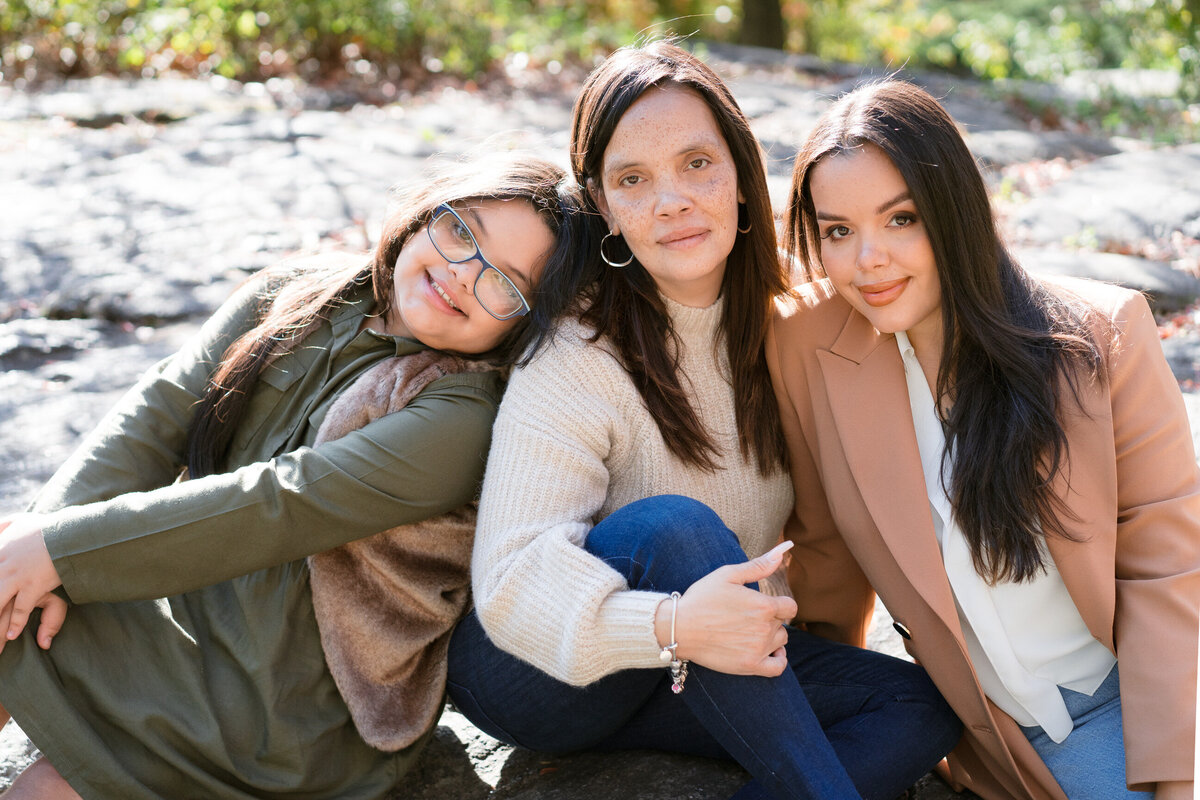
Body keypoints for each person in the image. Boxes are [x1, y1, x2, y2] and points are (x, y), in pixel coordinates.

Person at [446, 42, 962, 800]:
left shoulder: (793, 327)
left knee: (918, 704)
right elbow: (512, 582)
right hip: (541, 672)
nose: (671, 201)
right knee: (673, 532)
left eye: (697, 164)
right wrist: (674, 625)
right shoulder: (577, 354)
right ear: (607, 212)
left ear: (742, 177)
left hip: (692, 665)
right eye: (633, 180)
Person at [0, 151, 584, 799]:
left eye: (505, 281)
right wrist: (39, 544)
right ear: (424, 212)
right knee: (8, 596)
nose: (461, 273)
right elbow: (161, 410)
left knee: (46, 788)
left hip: (280, 703)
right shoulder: (302, 292)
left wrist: (58, 553)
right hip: (186, 607)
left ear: (526, 320)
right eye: (461, 230)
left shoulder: (459, 416)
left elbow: (283, 504)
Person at [769, 79, 1199, 800]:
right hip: (988, 733)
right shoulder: (805, 343)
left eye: (900, 218)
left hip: (1136, 704)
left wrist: (1177, 778)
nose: (867, 259)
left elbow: (1167, 568)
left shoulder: (1103, 335)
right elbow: (823, 552)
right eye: (838, 231)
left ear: (955, 211)